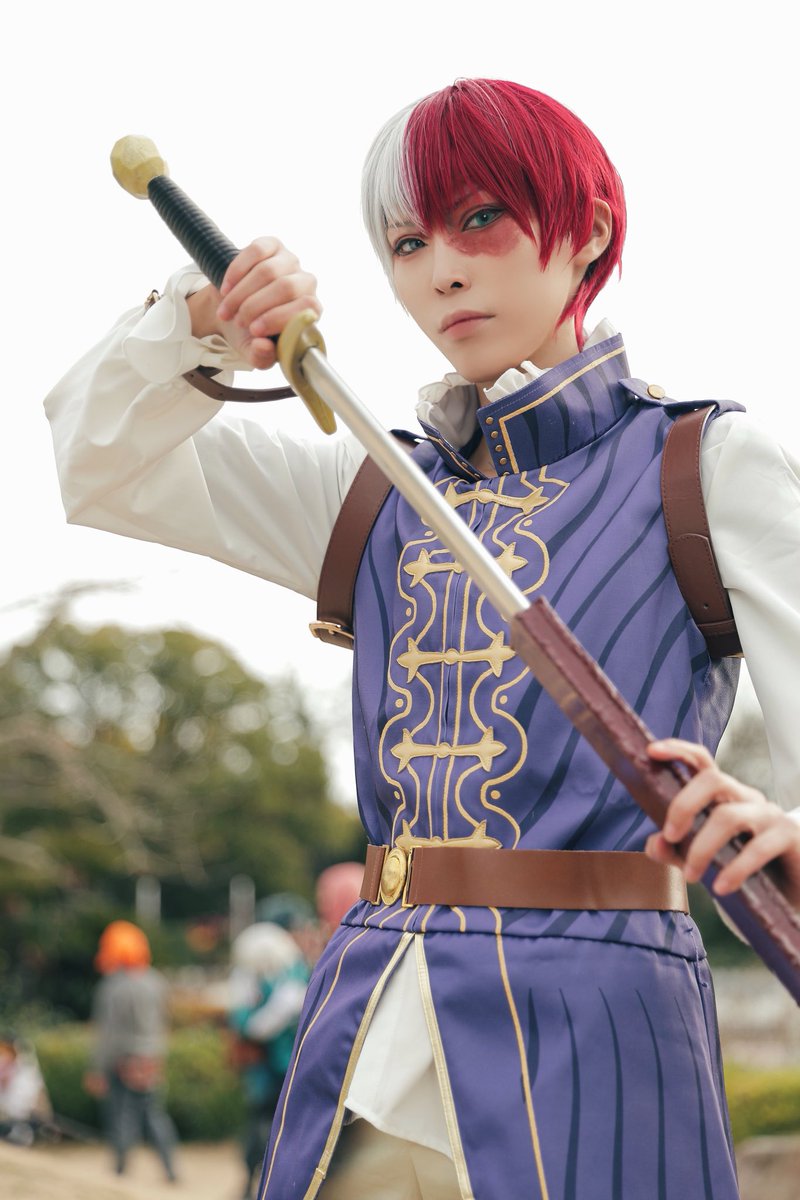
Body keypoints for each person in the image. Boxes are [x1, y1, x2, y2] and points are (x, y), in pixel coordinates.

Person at [44, 78, 800, 1199]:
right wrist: (201, 321)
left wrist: (784, 827)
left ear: (587, 230)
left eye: (479, 219)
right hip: (367, 1027)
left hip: (596, 1032)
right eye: (407, 242)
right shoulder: (375, 484)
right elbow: (99, 465)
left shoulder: (704, 465)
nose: (441, 269)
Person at [83, 920, 178, 1182]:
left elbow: (108, 1032)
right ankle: (170, 1168)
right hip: (151, 1058)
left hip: (123, 1060)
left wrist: (97, 1068)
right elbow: (165, 1020)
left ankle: (120, 1169)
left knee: (122, 1115)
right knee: (154, 1114)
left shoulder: (113, 986)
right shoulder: (155, 981)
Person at [227, 921, 310, 1199]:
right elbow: (247, 1021)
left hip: (283, 1070)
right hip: (267, 1072)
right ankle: (254, 1184)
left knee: (275, 1131)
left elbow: (257, 1026)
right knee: (262, 1129)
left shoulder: (291, 979)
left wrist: (249, 1021)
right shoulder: (266, 978)